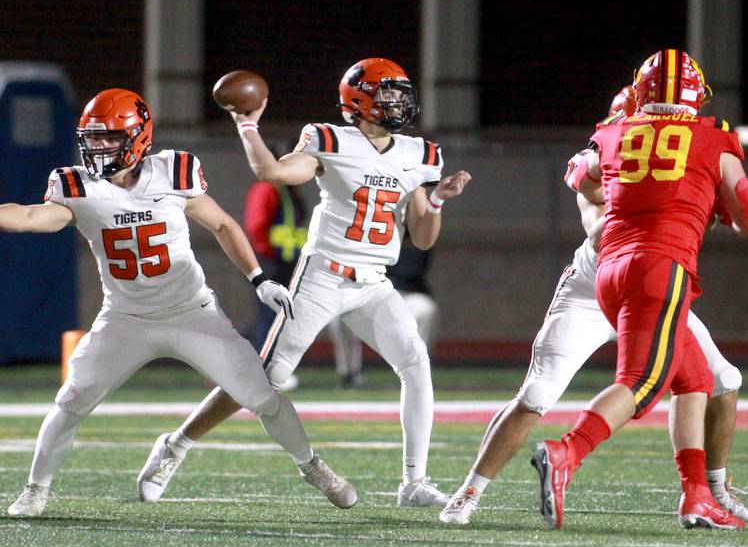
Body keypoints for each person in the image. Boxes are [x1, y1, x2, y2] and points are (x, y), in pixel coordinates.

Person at [4, 89, 356, 517]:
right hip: (125, 318)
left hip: (192, 313)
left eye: (109, 139)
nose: (98, 148)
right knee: (71, 401)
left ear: (137, 137)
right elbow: (30, 218)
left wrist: (259, 280)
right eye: (92, 139)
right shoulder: (76, 186)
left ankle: (312, 465)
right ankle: (36, 489)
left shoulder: (174, 171)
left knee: (262, 395)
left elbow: (223, 225)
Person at [136, 58, 471, 507]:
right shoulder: (329, 139)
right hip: (325, 275)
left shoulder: (420, 154)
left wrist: (435, 200)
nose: (398, 101)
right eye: (387, 92)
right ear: (360, 99)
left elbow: (424, 238)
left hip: (373, 281)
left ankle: (414, 481)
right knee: (265, 376)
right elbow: (272, 173)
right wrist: (247, 128)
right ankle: (174, 445)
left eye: (399, 93)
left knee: (415, 364)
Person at [439, 85, 748, 526]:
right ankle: (469, 492)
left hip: (644, 283)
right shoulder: (604, 161)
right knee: (537, 395)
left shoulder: (639, 152)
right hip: (598, 288)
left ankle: (710, 492)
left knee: (717, 378)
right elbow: (600, 228)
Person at [530, 50, 748, 530]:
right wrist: (713, 202)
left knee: (695, 380)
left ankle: (697, 495)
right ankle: (565, 452)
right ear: (696, 93)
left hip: (610, 269)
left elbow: (586, 179)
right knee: (641, 382)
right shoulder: (713, 138)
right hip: (661, 267)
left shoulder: (614, 132)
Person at [329, 238, 440, 388]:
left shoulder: (415, 234)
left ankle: (415, 373)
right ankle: (350, 373)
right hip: (370, 294)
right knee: (341, 313)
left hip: (405, 295)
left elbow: (411, 270)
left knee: (426, 309)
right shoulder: (367, 230)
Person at [242, 166, 308, 390]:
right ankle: (264, 370)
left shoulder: (289, 191)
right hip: (271, 262)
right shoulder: (268, 189)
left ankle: (269, 368)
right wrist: (266, 257)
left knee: (279, 317)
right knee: (268, 317)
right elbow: (257, 226)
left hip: (286, 262)